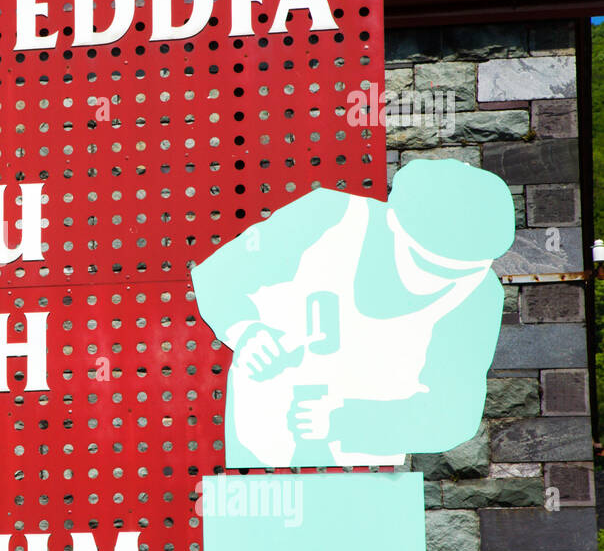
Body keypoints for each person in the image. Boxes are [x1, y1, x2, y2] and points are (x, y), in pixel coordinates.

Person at [191, 158, 515, 469]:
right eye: (424, 263)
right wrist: (245, 330)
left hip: (365, 470)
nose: (437, 282)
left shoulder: (479, 295)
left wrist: (341, 419)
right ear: (391, 221)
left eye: (461, 273)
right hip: (260, 446)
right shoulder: (326, 217)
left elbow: (453, 415)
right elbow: (220, 276)